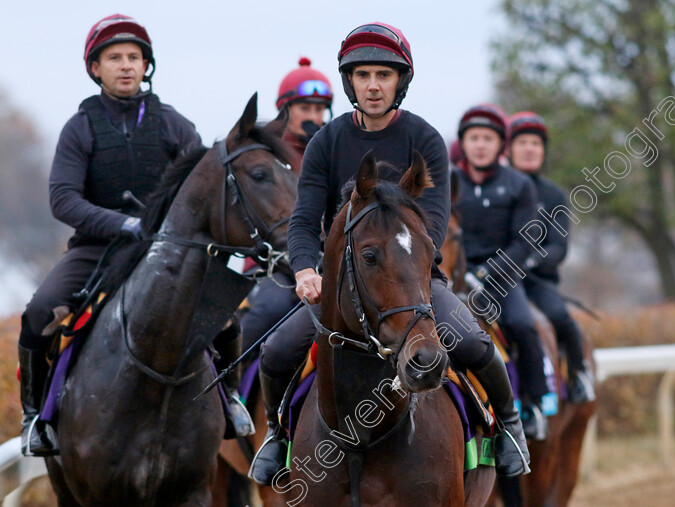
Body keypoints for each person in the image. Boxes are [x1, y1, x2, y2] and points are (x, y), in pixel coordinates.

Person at [249, 22, 531, 484]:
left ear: (400, 81)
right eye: (363, 75)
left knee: (476, 343)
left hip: (414, 282)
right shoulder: (327, 141)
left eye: (384, 74)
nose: (374, 85)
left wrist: (409, 268)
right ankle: (277, 434)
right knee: (278, 350)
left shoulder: (425, 140)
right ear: (351, 82)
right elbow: (303, 221)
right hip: (339, 286)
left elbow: (434, 224)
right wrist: (304, 269)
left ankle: (509, 426)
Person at [17, 14, 251, 457]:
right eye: (114, 58)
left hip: (166, 251)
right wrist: (124, 224)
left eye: (134, 57)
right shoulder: (79, 127)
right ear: (95, 68)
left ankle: (231, 398)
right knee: (40, 311)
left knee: (224, 316)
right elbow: (63, 200)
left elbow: (200, 192)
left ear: (146, 66)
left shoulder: (173, 124)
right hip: (98, 250)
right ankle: (35, 417)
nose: (126, 65)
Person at [452, 103, 553, 440]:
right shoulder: (447, 182)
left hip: (503, 281)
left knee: (524, 325)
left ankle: (536, 404)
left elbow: (525, 242)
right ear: (463, 143)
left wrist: (486, 274)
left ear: (500, 145)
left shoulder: (519, 185)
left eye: (488, 138)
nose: (480, 144)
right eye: (474, 137)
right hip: (454, 281)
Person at [238, 57, 334, 356]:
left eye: (320, 109)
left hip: (327, 261)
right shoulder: (264, 155)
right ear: (285, 110)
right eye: (305, 108)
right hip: (273, 263)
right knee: (270, 310)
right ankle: (235, 389)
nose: (314, 116)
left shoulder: (335, 149)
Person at [508, 111, 595, 404]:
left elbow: (560, 246)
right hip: (499, 280)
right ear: (508, 149)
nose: (530, 149)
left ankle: (579, 375)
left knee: (560, 317)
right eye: (523, 142)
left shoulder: (554, 195)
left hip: (537, 281)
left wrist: (531, 261)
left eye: (536, 143)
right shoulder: (500, 188)